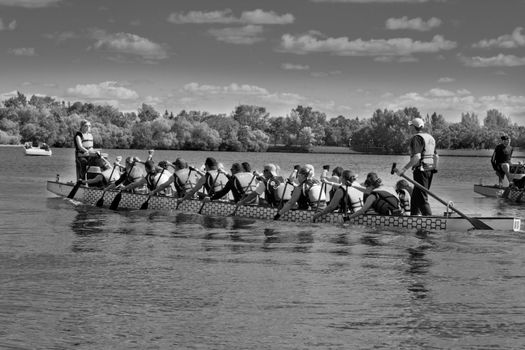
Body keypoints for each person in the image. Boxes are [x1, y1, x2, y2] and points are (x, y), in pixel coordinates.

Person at [394, 117, 438, 216]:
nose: (410, 128)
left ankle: (429, 220)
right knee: (415, 196)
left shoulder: (416, 138)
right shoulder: (430, 138)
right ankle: (414, 216)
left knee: (422, 197)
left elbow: (417, 157)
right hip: (430, 170)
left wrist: (403, 169)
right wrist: (434, 168)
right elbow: (436, 156)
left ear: (414, 127)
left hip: (421, 170)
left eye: (411, 126)